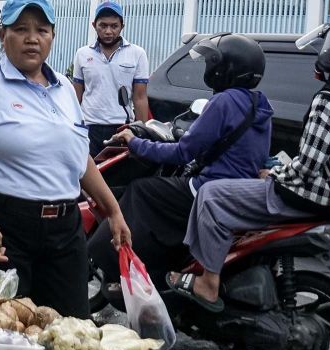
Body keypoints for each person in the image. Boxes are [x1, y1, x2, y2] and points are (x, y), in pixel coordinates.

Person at [172, 18, 330, 311]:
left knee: (212, 196)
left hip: (310, 198)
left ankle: (208, 282)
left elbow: (307, 167)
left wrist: (274, 173)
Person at [0, 0, 133, 318]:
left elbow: (79, 158)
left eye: (42, 30)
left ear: (52, 37)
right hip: (3, 228)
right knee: (3, 333)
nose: (32, 39)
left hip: (64, 230)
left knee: (71, 330)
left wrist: (113, 211)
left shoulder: (65, 90)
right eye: (21, 29)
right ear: (3, 36)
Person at [88, 34, 274, 288]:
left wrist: (135, 142)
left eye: (213, 63)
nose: (210, 68)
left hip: (210, 188)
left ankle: (130, 265)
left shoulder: (223, 101)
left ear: (228, 69)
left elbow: (182, 153)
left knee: (143, 191)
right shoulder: (259, 103)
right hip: (241, 189)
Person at [72, 1, 151, 156]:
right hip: (89, 127)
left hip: (121, 128)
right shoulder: (82, 54)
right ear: (94, 25)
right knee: (86, 176)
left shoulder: (137, 54)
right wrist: (73, 128)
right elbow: (76, 96)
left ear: (122, 26)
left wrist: (141, 133)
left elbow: (140, 97)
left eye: (114, 26)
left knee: (116, 176)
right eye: (103, 26)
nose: (108, 31)